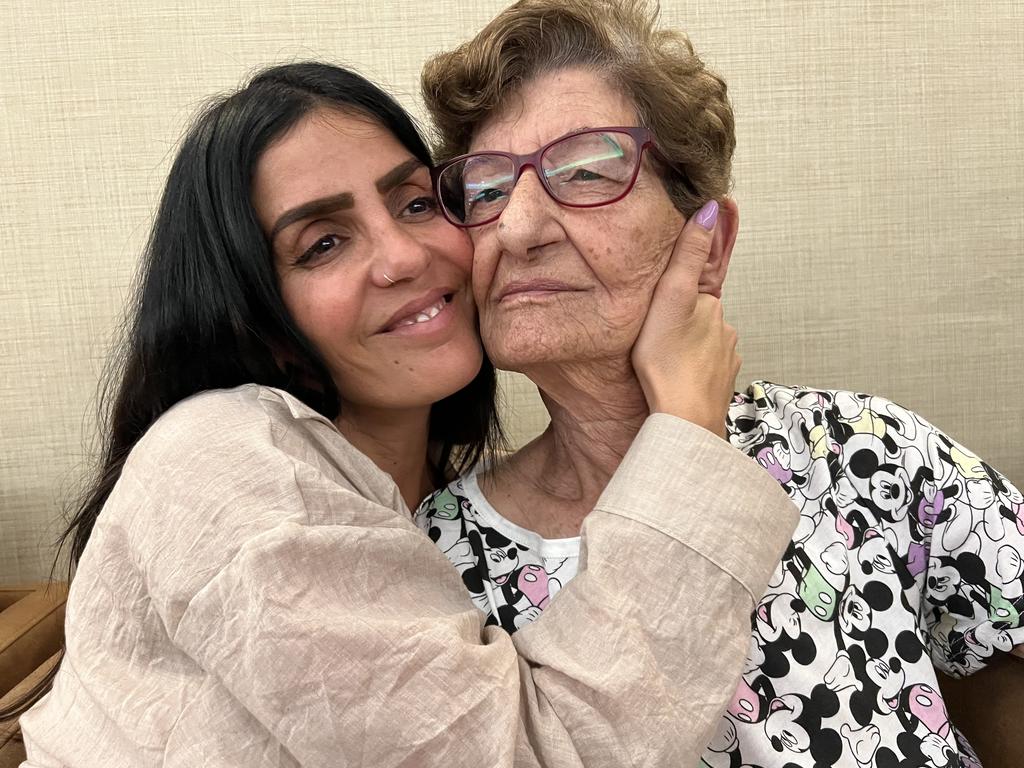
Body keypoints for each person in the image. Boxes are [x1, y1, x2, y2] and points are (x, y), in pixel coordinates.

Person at [5, 62, 799, 767]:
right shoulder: (226, 461)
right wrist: (688, 429)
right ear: (260, 325)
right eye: (322, 244)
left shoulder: (418, 510)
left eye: (417, 203)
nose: (405, 256)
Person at [417, 1, 1024, 766]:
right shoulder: (435, 562)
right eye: (485, 188)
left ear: (708, 240)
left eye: (584, 172)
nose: (516, 228)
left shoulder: (861, 453)